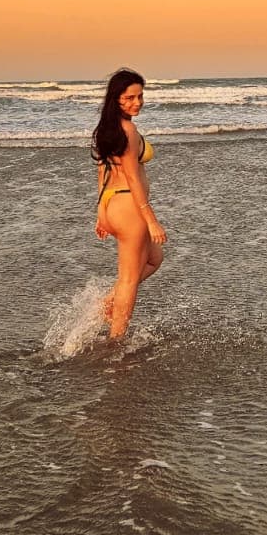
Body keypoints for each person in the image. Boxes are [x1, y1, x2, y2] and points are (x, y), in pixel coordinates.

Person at [92, 68, 166, 339]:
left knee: (154, 258)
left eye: (140, 96)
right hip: (129, 208)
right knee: (129, 279)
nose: (137, 102)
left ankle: (110, 302)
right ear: (116, 99)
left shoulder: (107, 129)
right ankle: (116, 341)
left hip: (113, 205)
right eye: (130, 98)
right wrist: (151, 220)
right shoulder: (129, 131)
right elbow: (133, 179)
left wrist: (101, 213)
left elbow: (102, 173)